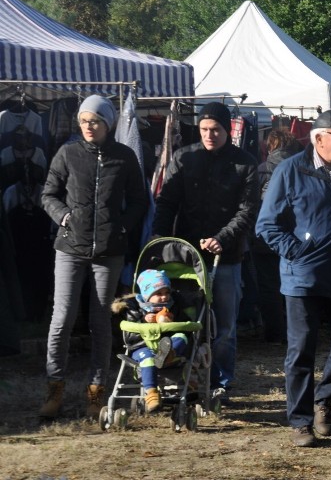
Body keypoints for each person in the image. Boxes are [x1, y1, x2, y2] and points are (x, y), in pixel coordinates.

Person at [256, 109, 331, 447]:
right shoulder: (290, 170)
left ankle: (325, 400)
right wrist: (297, 252)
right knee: (301, 349)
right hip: (304, 278)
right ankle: (300, 421)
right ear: (319, 138)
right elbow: (267, 225)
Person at [39, 95, 148, 419]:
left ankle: (96, 393)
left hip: (108, 251)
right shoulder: (68, 153)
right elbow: (48, 193)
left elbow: (139, 201)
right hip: (70, 247)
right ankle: (54, 388)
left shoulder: (124, 157)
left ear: (108, 124)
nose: (89, 126)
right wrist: (64, 216)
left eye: (95, 121)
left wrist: (123, 229)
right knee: (62, 320)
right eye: (85, 120)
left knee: (100, 322)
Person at [153, 102, 259, 396]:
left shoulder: (245, 163)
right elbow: (167, 202)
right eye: (204, 129)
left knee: (224, 325)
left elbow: (247, 211)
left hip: (226, 256)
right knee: (184, 319)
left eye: (215, 129)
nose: (209, 134)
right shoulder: (184, 157)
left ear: (227, 130)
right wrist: (160, 240)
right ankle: (185, 376)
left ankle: (221, 380)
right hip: (185, 255)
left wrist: (222, 238)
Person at [112, 269, 189, 412]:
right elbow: (129, 336)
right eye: (159, 293)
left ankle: (168, 355)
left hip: (167, 344)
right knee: (148, 359)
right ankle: (152, 393)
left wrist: (172, 322)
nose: (164, 297)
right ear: (147, 295)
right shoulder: (134, 308)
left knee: (182, 336)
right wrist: (143, 322)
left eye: (167, 292)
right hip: (142, 347)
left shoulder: (174, 305)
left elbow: (186, 324)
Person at [254, 129, 302, 345]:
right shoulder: (302, 168)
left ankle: (275, 334)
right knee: (294, 286)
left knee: (268, 288)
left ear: (270, 146)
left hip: (266, 238)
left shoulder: (262, 170)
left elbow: (253, 204)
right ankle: (295, 332)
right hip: (295, 236)